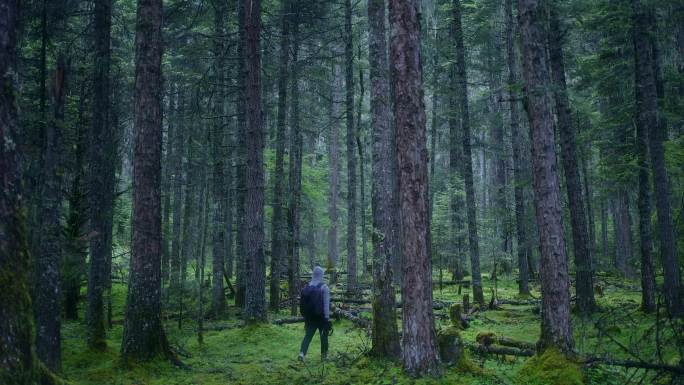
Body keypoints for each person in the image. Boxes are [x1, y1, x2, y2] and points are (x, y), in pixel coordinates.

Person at [298, 266, 331, 362]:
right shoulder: (324, 287)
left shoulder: (308, 286)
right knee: (324, 336)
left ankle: (302, 353)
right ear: (321, 275)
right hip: (320, 316)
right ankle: (324, 357)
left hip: (309, 317)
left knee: (308, 335)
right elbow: (326, 305)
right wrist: (327, 318)